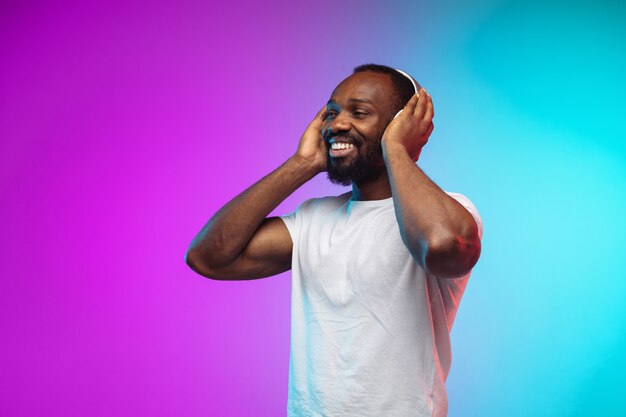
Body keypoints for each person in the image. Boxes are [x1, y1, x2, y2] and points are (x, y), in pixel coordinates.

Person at [186, 63, 483, 417]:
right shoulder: (312, 219)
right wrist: (301, 163)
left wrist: (398, 150)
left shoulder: (451, 211)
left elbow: (441, 247)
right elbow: (209, 257)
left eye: (359, 113)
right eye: (331, 112)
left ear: (402, 126)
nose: (337, 124)